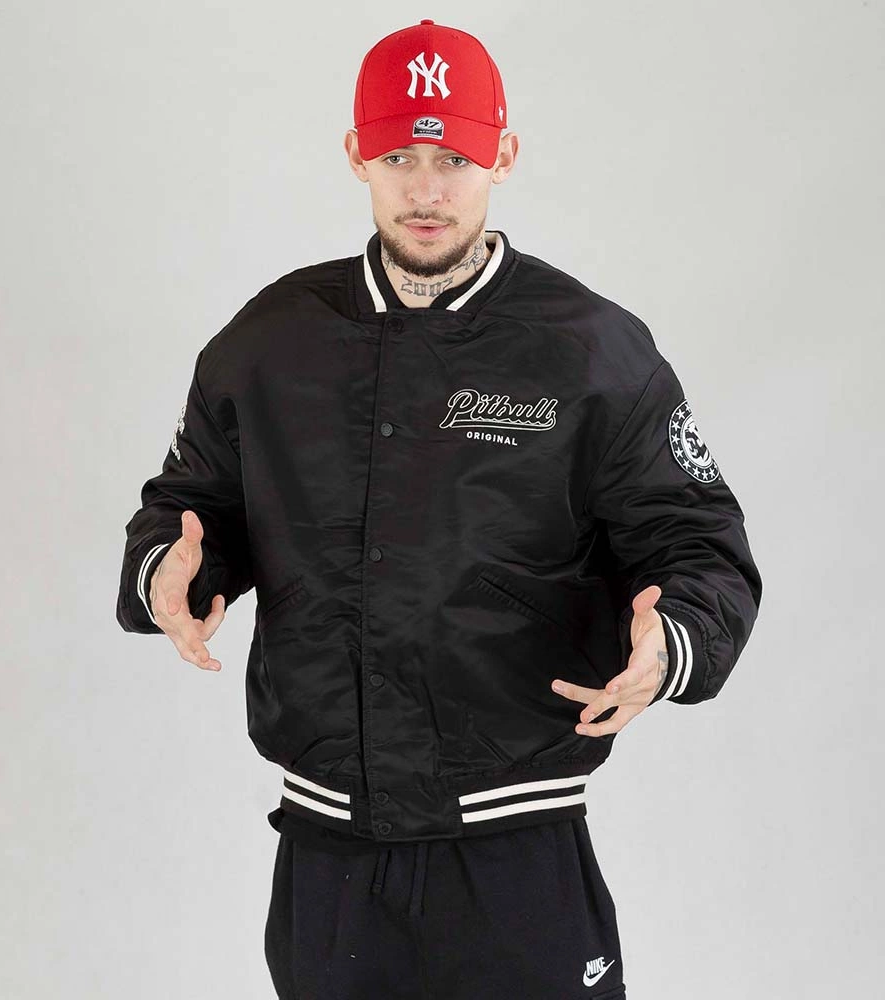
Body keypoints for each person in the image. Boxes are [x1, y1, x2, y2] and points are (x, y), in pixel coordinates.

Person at [116, 18, 762, 999]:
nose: (426, 190)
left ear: (503, 154)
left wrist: (672, 638)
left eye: (454, 158)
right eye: (400, 159)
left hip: (517, 856)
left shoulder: (593, 352)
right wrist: (170, 566)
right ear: (356, 156)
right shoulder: (267, 343)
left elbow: (699, 541)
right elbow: (193, 506)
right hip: (329, 862)